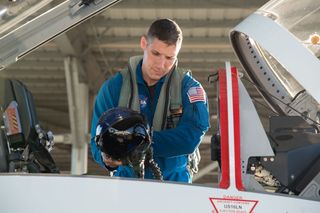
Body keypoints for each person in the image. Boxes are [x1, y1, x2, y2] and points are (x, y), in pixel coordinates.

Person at [90, 18, 209, 183]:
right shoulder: (114, 88)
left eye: (170, 58)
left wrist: (139, 143)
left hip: (175, 186)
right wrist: (106, 157)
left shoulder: (189, 88)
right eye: (156, 54)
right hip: (126, 186)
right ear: (144, 43)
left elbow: (192, 136)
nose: (161, 64)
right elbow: (95, 141)